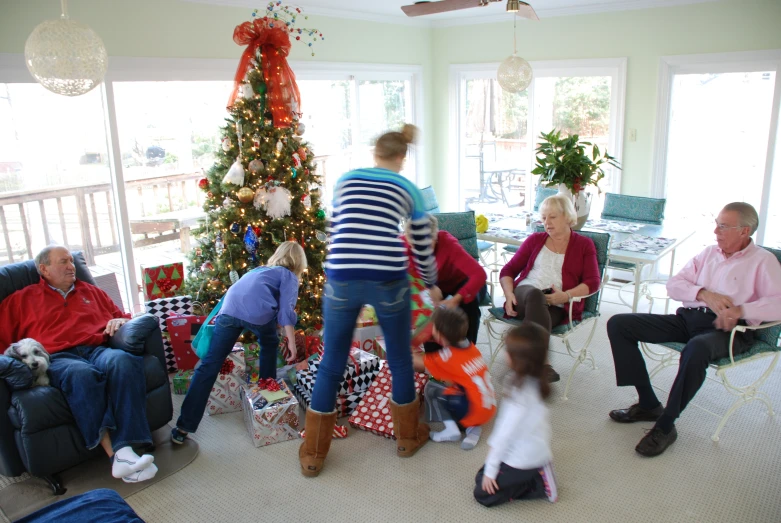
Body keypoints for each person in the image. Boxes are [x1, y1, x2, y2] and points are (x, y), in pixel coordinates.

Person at [300, 124, 438, 477]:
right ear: (401, 157)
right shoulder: (407, 187)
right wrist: (429, 280)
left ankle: (314, 454)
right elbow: (421, 242)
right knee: (399, 358)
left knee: (332, 361)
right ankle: (406, 439)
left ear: (375, 152)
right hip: (387, 277)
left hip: (341, 274)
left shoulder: (345, 180)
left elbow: (335, 227)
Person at [606, 202, 781, 457]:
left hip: (729, 332)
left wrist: (741, 311)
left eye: (723, 226)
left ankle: (665, 425)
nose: (715, 231)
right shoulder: (708, 253)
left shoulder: (763, 261)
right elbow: (674, 285)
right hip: (687, 319)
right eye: (716, 224)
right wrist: (703, 293)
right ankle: (647, 403)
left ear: (744, 231)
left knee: (696, 348)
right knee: (619, 324)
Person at [0, 246, 157, 483]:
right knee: (82, 375)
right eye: (63, 262)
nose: (71, 266)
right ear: (44, 269)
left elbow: (122, 316)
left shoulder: (92, 292)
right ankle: (117, 455)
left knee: (123, 361)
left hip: (97, 349)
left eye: (72, 261)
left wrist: (119, 320)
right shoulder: (21, 300)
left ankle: (127, 451)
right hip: (58, 357)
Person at [172, 241, 306, 444]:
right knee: (269, 343)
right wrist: (292, 344)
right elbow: (286, 312)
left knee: (210, 364)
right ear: (298, 262)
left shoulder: (261, 270)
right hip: (256, 313)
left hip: (229, 310)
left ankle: (183, 427)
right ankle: (266, 391)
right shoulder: (288, 275)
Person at [499, 194, 601, 382]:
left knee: (541, 318)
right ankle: (543, 364)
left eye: (553, 217)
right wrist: (508, 294)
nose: (547, 222)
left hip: (556, 303)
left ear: (568, 217)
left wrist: (566, 296)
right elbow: (509, 270)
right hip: (525, 293)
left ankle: (526, 365)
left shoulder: (584, 245)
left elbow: (593, 281)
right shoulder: (535, 240)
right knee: (536, 295)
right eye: (544, 217)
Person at [474, 322, 558, 507]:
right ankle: (536, 471)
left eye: (508, 350)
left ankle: (539, 484)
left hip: (524, 458)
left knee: (482, 492)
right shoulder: (535, 379)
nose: (505, 353)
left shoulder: (518, 398)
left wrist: (491, 469)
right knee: (481, 476)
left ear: (517, 359)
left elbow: (502, 437)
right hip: (535, 449)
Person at [413, 307, 496, 450]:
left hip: (470, 408)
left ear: (439, 335)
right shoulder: (471, 347)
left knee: (431, 388)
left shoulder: (447, 356)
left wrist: (405, 349)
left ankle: (452, 430)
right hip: (488, 408)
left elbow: (419, 364)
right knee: (459, 386)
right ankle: (473, 428)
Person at [404, 215, 488, 346]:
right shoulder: (400, 246)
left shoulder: (447, 242)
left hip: (464, 283)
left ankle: (467, 350)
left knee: (467, 305)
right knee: (431, 312)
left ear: (435, 237)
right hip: (435, 287)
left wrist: (454, 300)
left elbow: (479, 275)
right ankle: (434, 357)